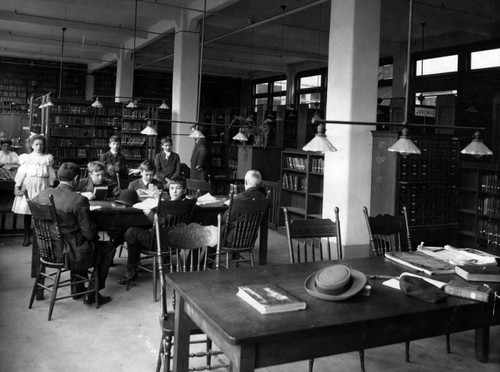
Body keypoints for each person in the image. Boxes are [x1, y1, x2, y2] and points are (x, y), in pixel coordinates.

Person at [33, 162, 114, 305]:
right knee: (107, 247)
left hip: (48, 249)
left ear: (59, 176)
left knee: (78, 240)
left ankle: (78, 288)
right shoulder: (78, 200)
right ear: (76, 179)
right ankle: (92, 293)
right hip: (69, 252)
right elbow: (89, 234)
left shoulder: (43, 194)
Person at [118, 176, 187, 284]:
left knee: (130, 233)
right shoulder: (184, 203)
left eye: (178, 188)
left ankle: (131, 271)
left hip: (161, 242)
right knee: (135, 235)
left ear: (184, 190)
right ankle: (133, 270)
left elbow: (161, 223)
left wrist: (151, 215)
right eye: (172, 188)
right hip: (173, 240)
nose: (174, 191)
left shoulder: (172, 206)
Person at [12, 134, 56, 246]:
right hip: (29, 185)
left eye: (41, 145)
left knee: (42, 211)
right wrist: (17, 186)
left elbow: (51, 174)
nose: (39, 147)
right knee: (28, 211)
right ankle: (27, 236)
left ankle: (40, 236)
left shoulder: (47, 158)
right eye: (36, 144)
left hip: (43, 185)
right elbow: (21, 173)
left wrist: (51, 186)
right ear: (32, 145)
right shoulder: (26, 158)